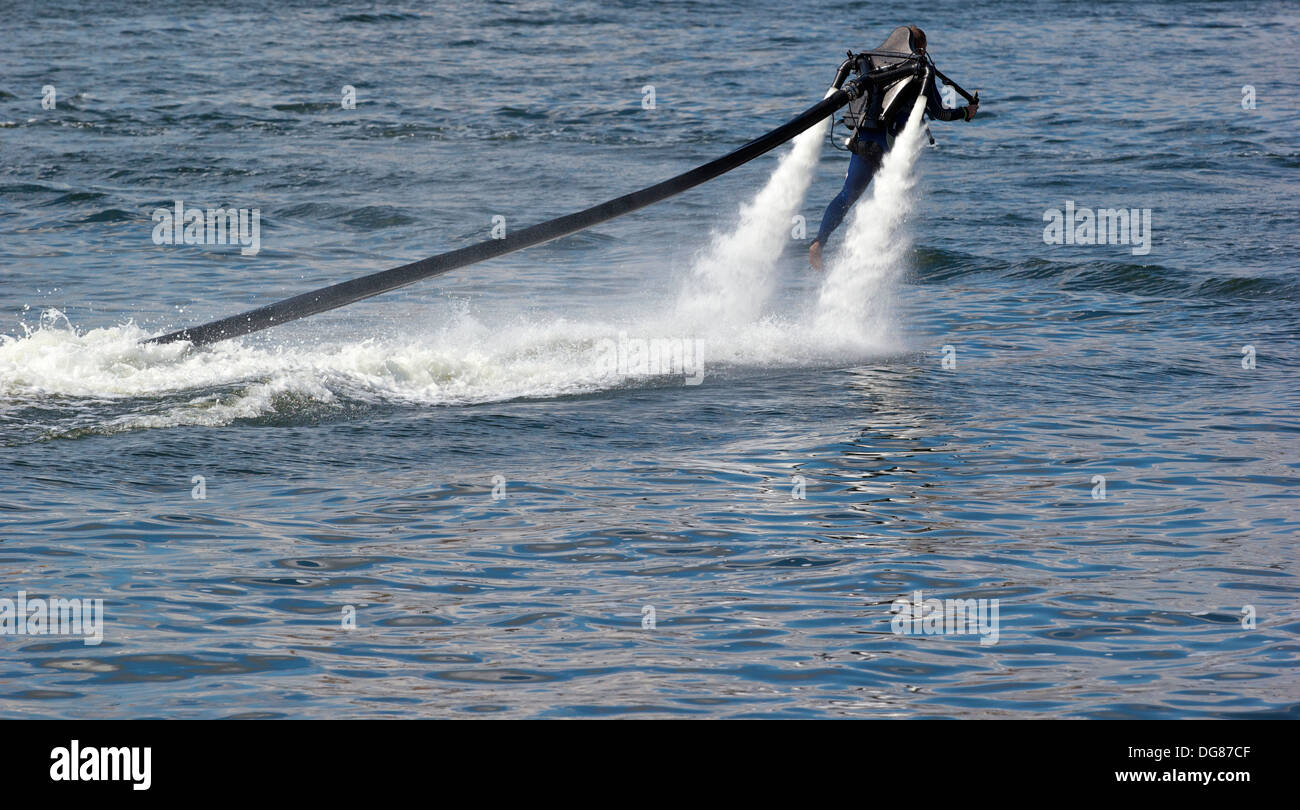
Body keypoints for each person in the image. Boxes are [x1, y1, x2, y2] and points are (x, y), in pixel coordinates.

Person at [808, 26, 977, 270]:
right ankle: (872, 252)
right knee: (898, 199)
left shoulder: (875, 63)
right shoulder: (920, 72)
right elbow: (939, 112)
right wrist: (965, 112)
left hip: (863, 138)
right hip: (888, 146)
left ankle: (819, 242)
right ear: (921, 48)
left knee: (847, 195)